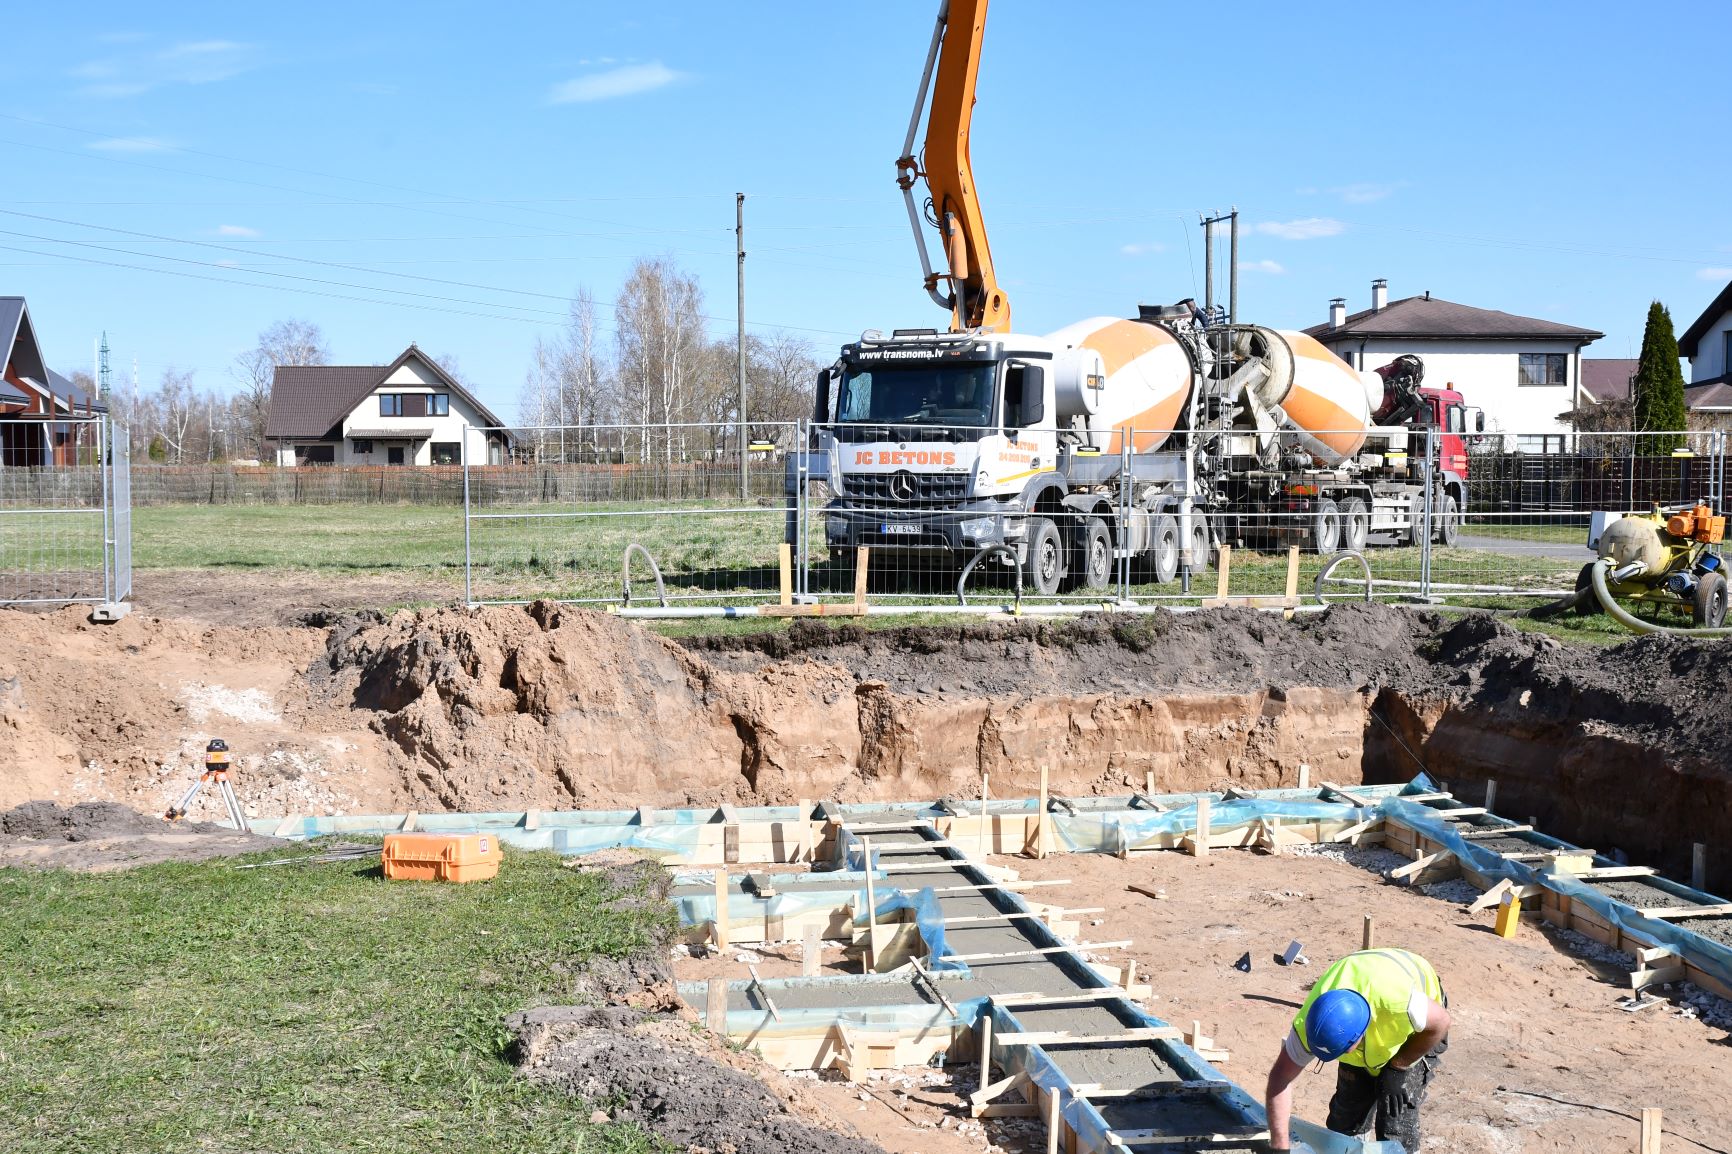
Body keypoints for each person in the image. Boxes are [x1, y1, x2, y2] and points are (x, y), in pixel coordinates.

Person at [1261, 948, 1450, 1154]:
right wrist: (1280, 1147)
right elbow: (1280, 1078)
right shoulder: (1312, 1022)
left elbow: (1441, 1023)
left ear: (1360, 1033)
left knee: (1395, 1122)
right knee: (1344, 1123)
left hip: (1416, 1033)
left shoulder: (1401, 1004)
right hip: (1364, 1008)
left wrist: (1399, 1067)